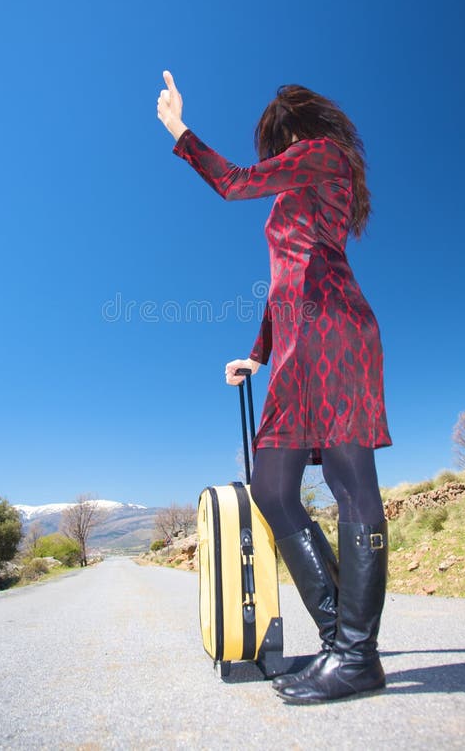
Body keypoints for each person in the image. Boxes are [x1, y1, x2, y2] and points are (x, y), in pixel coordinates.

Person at [157, 69, 393, 705]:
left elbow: (234, 184)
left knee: (350, 481)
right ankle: (341, 637)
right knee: (271, 487)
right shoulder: (299, 189)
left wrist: (179, 128)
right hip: (294, 348)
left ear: (292, 130)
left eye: (275, 142)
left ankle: (354, 656)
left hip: (336, 333)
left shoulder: (322, 156)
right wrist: (257, 356)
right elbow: (284, 282)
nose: (276, 158)